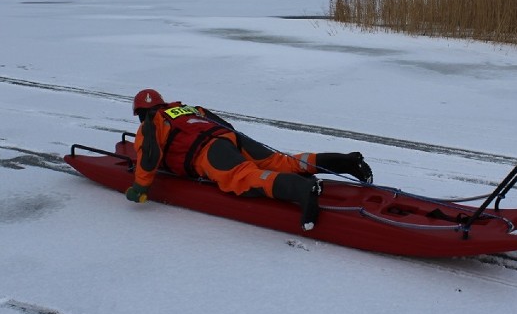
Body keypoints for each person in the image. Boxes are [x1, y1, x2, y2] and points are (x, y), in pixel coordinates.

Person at [124, 88, 373, 231]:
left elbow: (149, 157)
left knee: (244, 178)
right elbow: (225, 125)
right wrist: (232, 145)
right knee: (282, 162)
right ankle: (347, 161)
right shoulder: (189, 108)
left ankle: (303, 189)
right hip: (232, 139)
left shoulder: (151, 123)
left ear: (140, 113)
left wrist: (140, 187)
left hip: (207, 152)